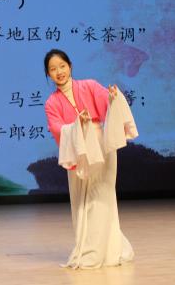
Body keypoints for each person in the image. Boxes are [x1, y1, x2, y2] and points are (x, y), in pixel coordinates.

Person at [43, 48, 137, 269]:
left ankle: (100, 251)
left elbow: (108, 105)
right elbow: (57, 128)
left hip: (101, 148)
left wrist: (113, 97)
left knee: (102, 198)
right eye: (53, 69)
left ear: (70, 66)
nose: (59, 72)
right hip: (78, 150)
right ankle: (93, 248)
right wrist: (77, 125)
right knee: (83, 202)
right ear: (48, 74)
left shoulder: (89, 85)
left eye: (62, 66)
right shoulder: (51, 103)